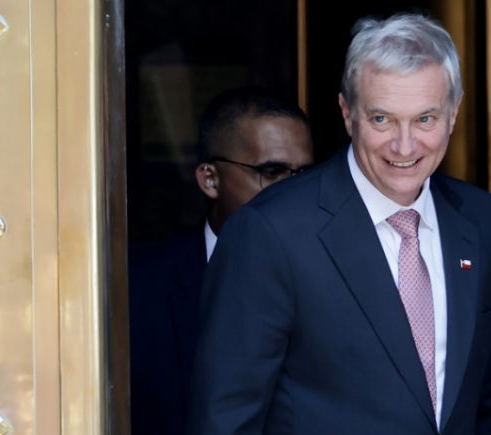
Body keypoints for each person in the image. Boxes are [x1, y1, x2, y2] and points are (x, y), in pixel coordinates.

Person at [187, 14, 491, 435]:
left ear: (453, 114)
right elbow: (226, 420)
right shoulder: (270, 232)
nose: (405, 146)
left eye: (425, 119)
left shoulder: (479, 220)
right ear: (348, 113)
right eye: (382, 119)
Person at [129, 86, 314, 435]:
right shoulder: (138, 287)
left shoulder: (336, 277)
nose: (293, 192)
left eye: (304, 175)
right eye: (272, 171)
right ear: (210, 179)